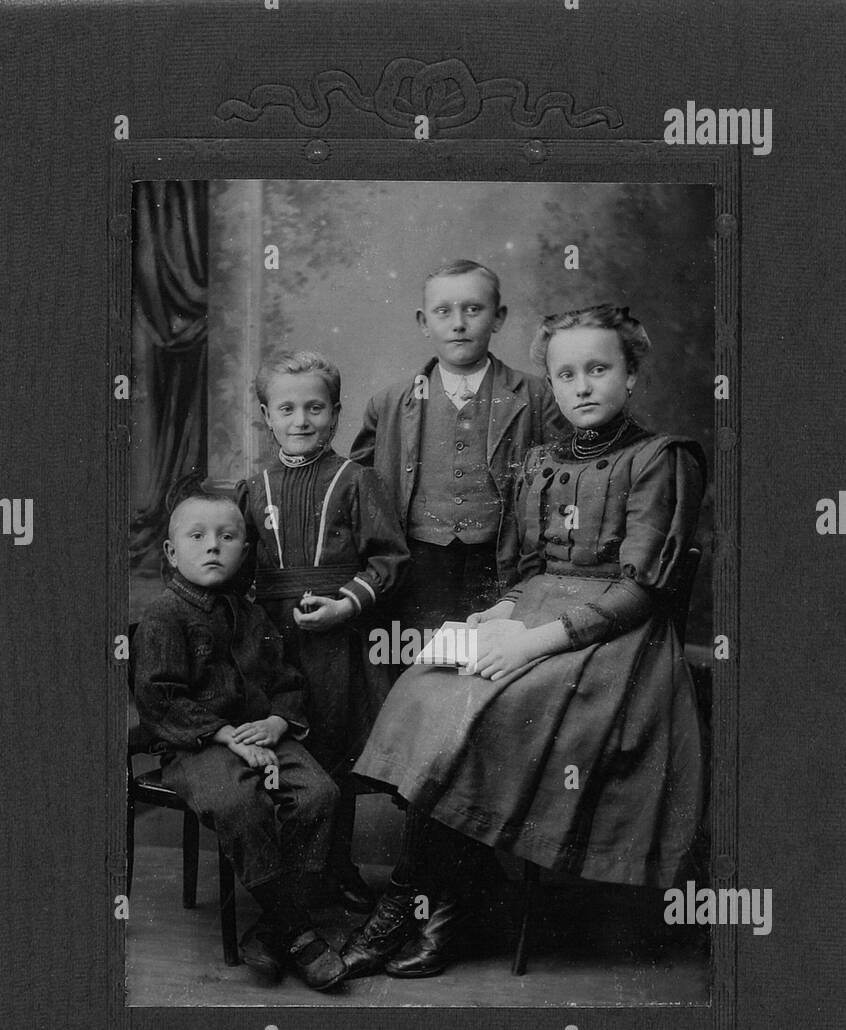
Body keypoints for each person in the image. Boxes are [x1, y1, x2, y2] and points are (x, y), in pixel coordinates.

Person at [343, 304, 706, 979]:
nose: (582, 386)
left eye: (600, 369)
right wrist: (497, 614)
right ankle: (449, 895)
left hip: (612, 640)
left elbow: (640, 591)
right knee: (427, 690)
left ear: (631, 376)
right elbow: (529, 569)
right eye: (566, 374)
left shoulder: (661, 458)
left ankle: (413, 908)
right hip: (534, 614)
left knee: (489, 714)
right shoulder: (539, 459)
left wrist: (531, 644)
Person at [130, 485, 349, 991]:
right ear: (170, 551)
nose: (213, 547)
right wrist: (224, 734)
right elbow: (158, 697)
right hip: (197, 744)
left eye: (227, 537)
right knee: (239, 803)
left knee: (320, 795)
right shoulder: (165, 617)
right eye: (198, 536)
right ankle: (297, 930)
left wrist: (277, 722)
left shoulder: (252, 616)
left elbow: (286, 680)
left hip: (262, 734)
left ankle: (274, 928)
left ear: (244, 550)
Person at [235, 350, 409, 911]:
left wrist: (344, 606)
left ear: (336, 413)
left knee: (334, 748)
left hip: (338, 635)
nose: (301, 419)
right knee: (279, 746)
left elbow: (387, 561)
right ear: (266, 415)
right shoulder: (253, 485)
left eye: (315, 407)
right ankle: (284, 878)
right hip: (270, 638)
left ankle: (339, 867)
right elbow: (237, 568)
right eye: (287, 408)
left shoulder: (357, 480)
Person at [350, 259, 564, 643]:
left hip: (501, 561)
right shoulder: (390, 403)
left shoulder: (536, 396)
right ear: (423, 321)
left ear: (498, 318)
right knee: (421, 662)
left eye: (473, 309)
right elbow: (357, 490)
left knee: (491, 662)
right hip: (419, 563)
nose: (459, 323)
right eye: (443, 311)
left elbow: (564, 483)